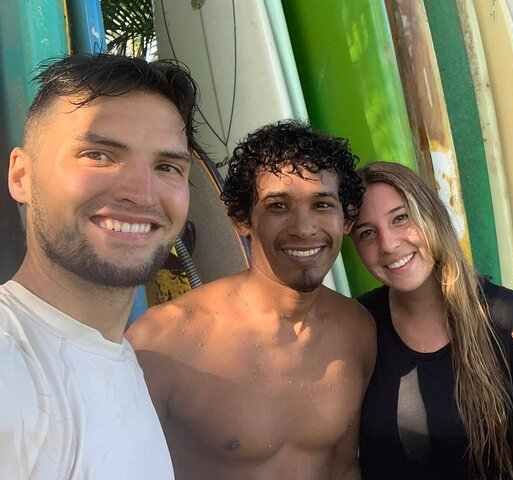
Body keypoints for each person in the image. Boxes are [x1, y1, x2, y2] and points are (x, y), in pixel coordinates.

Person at [126, 120, 376, 479]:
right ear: (242, 219)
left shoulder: (357, 331)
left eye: (322, 205)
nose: (304, 228)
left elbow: (344, 469)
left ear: (347, 220)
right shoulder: (162, 340)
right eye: (278, 206)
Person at [0, 53, 200, 479]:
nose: (142, 194)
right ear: (21, 176)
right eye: (99, 155)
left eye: (166, 166)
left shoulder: (116, 357)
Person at [349, 162, 513, 480]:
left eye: (401, 218)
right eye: (367, 233)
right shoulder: (357, 326)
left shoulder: (512, 323)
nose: (388, 244)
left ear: (433, 216)